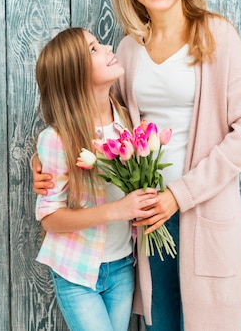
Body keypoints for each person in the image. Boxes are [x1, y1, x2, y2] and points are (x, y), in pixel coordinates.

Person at [31, 0, 241, 331]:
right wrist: (47, 157)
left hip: (202, 213)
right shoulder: (128, 48)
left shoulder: (217, 36)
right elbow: (102, 123)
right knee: (162, 323)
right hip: (145, 222)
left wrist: (179, 194)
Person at [33, 27, 161, 331]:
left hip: (121, 267)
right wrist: (117, 211)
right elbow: (50, 218)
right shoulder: (57, 139)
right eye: (93, 49)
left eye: (99, 43)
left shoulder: (128, 122)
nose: (106, 47)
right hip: (77, 271)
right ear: (73, 75)